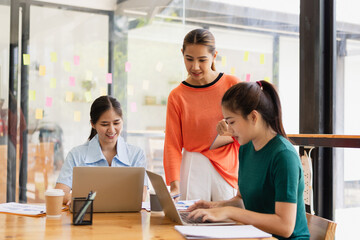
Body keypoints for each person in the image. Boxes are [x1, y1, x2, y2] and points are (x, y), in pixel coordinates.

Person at [187, 80, 310, 239]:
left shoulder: (283, 156)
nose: (228, 130)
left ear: (253, 117)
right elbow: (242, 200)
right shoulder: (246, 148)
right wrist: (215, 207)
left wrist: (229, 212)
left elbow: (285, 226)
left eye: (232, 122)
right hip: (256, 236)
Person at [164, 28, 240, 202]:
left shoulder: (232, 85)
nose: (195, 67)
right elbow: (172, 144)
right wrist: (174, 185)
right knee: (192, 222)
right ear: (182, 54)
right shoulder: (177, 96)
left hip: (228, 166)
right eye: (189, 59)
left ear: (214, 56)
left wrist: (231, 132)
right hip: (193, 166)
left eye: (202, 60)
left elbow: (251, 128)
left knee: (229, 222)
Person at [55, 96, 147, 205]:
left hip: (125, 219)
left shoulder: (136, 154)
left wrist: (97, 198)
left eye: (116, 123)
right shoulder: (76, 155)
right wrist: (76, 198)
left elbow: (141, 196)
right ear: (93, 124)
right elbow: (59, 193)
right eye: (104, 124)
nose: (111, 130)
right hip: (88, 217)